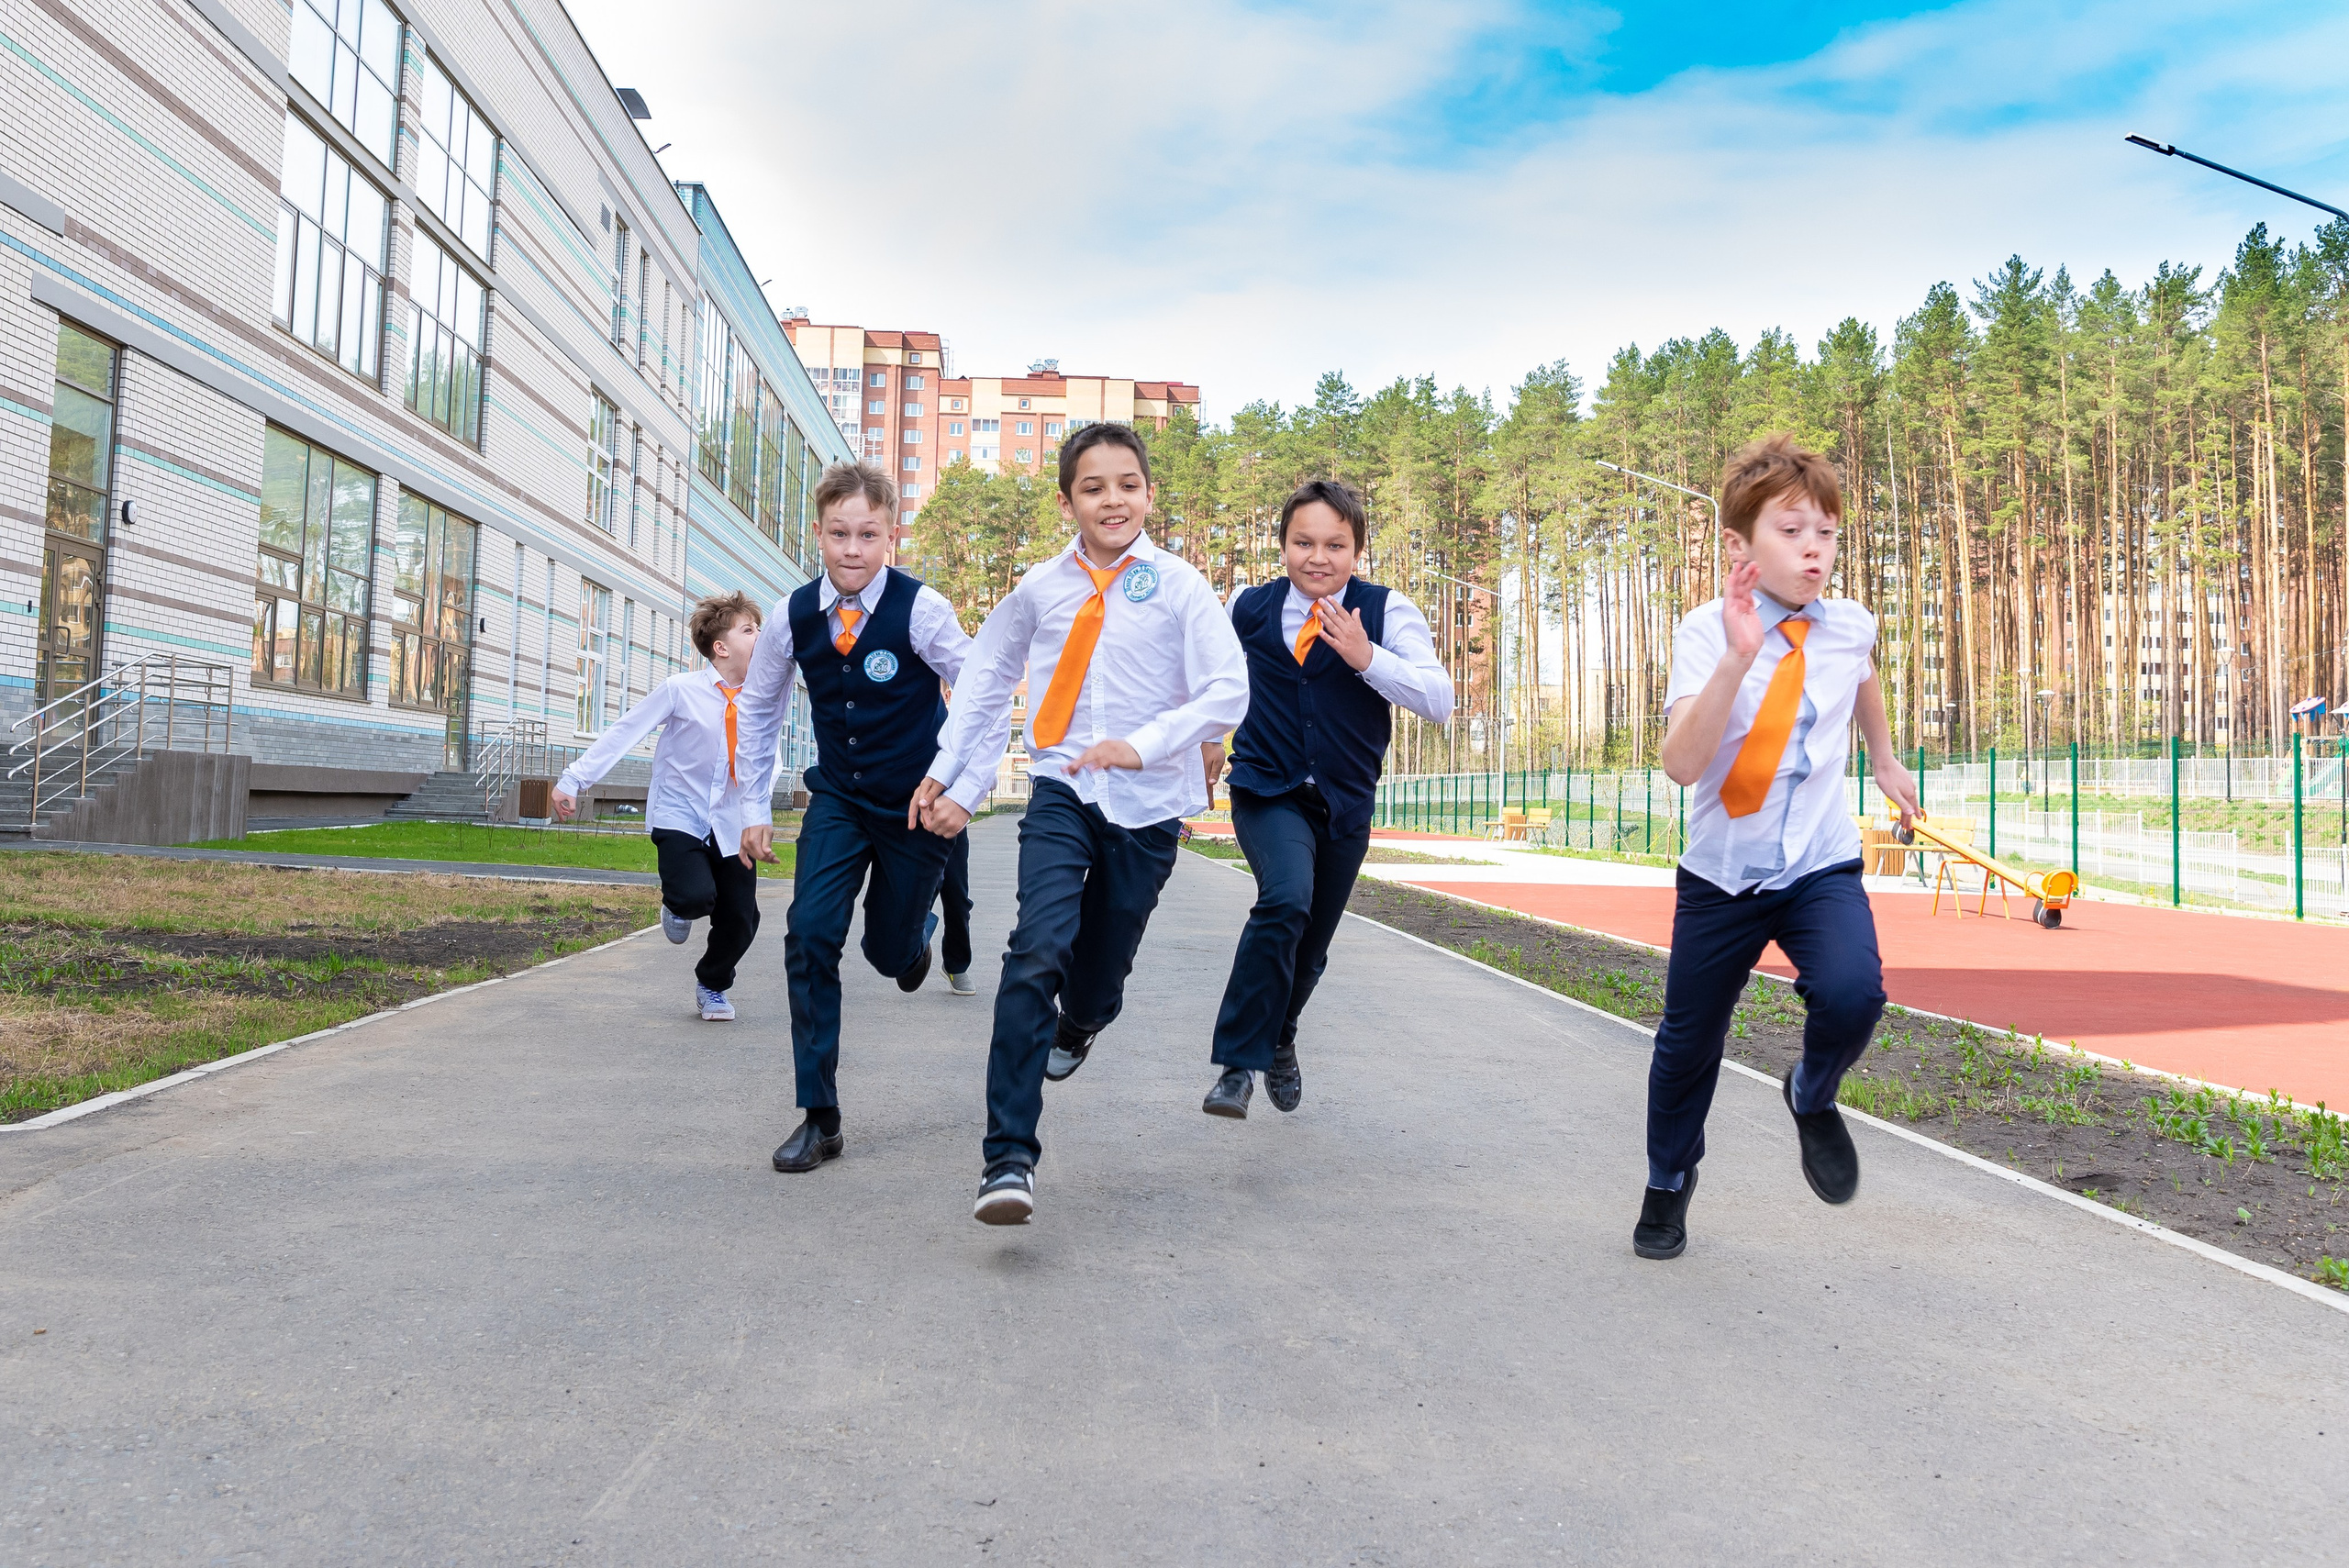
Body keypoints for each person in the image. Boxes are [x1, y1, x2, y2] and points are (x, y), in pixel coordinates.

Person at [911, 421, 1249, 1225]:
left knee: (1099, 971)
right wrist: (947, 769)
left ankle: (1085, 1019)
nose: (1112, 500)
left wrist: (1145, 745)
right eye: (1093, 487)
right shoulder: (1040, 588)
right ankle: (1007, 1157)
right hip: (1061, 785)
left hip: (1150, 801)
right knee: (1036, 949)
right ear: (1068, 503)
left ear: (1150, 494)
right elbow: (987, 678)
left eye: (1127, 484)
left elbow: (1227, 689)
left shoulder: (1180, 586)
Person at [1633, 434, 1920, 1262]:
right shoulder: (1703, 633)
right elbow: (1682, 765)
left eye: (1826, 532)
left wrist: (1885, 757)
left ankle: (1812, 1091)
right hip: (1722, 875)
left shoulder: (1849, 624)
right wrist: (1738, 657)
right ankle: (1668, 1179)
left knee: (1854, 993)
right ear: (1740, 545)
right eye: (1791, 531)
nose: (1813, 550)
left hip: (1817, 862)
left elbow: (1861, 673)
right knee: (1688, 1044)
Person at [734, 461, 990, 1175]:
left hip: (915, 803)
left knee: (887, 954)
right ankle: (820, 1115)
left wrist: (964, 789)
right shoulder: (791, 615)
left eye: (868, 534)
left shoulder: (923, 609)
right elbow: (759, 708)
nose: (852, 549)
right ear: (818, 533)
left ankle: (913, 941)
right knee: (809, 932)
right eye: (839, 533)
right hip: (840, 800)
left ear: (890, 536)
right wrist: (753, 807)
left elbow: (980, 691)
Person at [1197, 479, 1454, 1118]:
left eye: (1335, 545)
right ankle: (1238, 1066)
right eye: (1303, 542)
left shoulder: (1388, 611)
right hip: (1266, 788)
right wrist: (1206, 738)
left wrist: (1368, 658)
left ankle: (1281, 1034)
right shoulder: (1247, 607)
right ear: (1283, 545)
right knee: (1284, 900)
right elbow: (1210, 679)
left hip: (1344, 802)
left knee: (1310, 948)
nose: (1318, 557)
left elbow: (1439, 700)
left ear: (1357, 550)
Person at [552, 591, 766, 1023]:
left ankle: (712, 985)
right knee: (694, 897)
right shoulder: (680, 690)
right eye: (749, 630)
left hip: (733, 820)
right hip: (679, 812)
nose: (760, 636)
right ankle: (677, 905)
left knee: (742, 918)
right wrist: (574, 779)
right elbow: (626, 730)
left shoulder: (764, 698)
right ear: (721, 647)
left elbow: (768, 756)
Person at [939, 829, 976, 995]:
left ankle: (955, 966)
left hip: (952, 827)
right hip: (911, 825)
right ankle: (913, 951)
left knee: (957, 899)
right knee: (919, 897)